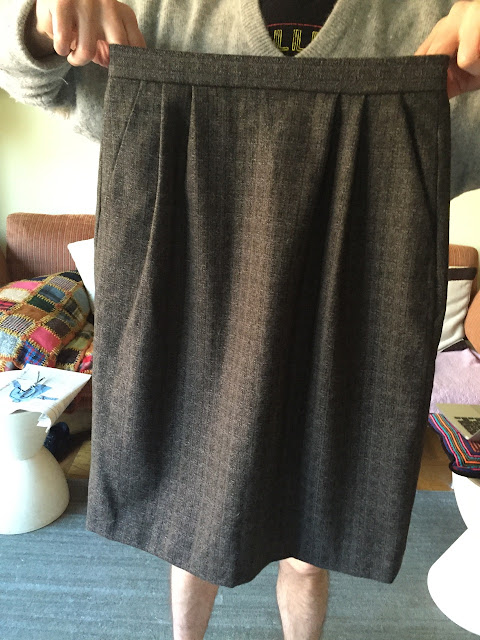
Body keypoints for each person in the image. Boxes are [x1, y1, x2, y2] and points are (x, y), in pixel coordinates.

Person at [1, 2, 479, 639]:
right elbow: (29, 79)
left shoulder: (427, 14)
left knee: (310, 543)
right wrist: (39, 22)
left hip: (348, 298)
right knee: (190, 529)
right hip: (191, 294)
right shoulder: (159, 8)